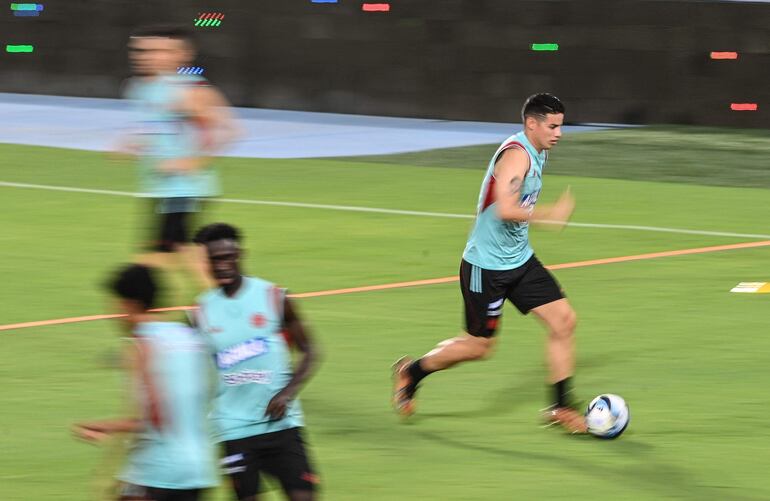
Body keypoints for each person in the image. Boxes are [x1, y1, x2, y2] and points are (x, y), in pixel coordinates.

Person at [392, 93, 587, 433]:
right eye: (553, 126)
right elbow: (505, 208)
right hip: (486, 268)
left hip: (519, 260)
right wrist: (550, 214)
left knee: (564, 321)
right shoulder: (516, 156)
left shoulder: (537, 152)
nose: (559, 133)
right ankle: (413, 372)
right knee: (478, 347)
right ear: (531, 123)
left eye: (561, 126)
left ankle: (561, 407)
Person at [194, 223, 320, 501]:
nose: (223, 265)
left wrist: (287, 393)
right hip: (233, 429)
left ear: (240, 254)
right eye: (216, 259)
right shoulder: (200, 313)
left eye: (229, 257)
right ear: (207, 263)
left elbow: (311, 350)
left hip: (282, 426)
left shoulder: (274, 297)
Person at [73, 264, 219, 500]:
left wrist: (106, 427)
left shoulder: (143, 344)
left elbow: (150, 416)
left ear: (128, 304)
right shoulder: (189, 337)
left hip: (157, 471)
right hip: (198, 469)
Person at [117, 24, 241, 292]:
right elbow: (156, 126)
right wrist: (133, 142)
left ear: (180, 55)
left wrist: (192, 162)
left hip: (185, 189)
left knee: (163, 256)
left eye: (157, 50)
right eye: (140, 50)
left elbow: (228, 130)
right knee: (179, 255)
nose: (145, 55)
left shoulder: (189, 91)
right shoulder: (139, 88)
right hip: (159, 187)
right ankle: (220, 306)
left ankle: (219, 308)